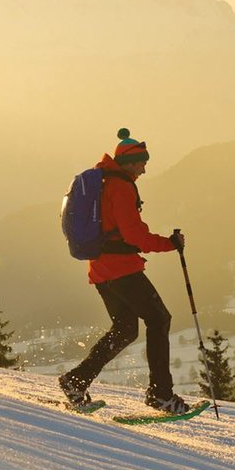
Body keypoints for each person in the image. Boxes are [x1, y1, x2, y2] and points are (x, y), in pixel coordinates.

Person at [58, 128, 190, 414]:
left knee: (125, 330)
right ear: (130, 162)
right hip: (121, 268)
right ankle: (161, 394)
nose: (144, 168)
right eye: (142, 162)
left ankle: (76, 381)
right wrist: (169, 244)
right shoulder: (121, 186)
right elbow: (133, 235)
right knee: (159, 319)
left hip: (102, 269)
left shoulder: (104, 180)